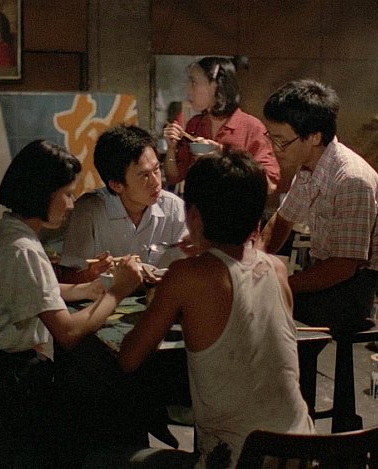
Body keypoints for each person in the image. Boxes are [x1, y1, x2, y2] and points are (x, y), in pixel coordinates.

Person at [116, 149, 316, 469]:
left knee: (103, 457)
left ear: (194, 215)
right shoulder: (277, 270)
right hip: (303, 456)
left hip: (238, 462)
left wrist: (124, 289)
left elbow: (129, 359)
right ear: (257, 219)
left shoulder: (186, 275)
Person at [0, 140, 143, 462]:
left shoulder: (8, 231)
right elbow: (67, 333)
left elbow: (34, 290)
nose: (71, 204)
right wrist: (117, 291)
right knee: (110, 410)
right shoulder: (23, 249)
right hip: (3, 392)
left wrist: (89, 288)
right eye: (67, 194)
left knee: (98, 396)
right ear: (42, 193)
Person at [259, 79, 378, 333]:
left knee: (264, 309)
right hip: (324, 273)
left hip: (351, 290)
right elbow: (282, 221)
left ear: (314, 137)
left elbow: (343, 266)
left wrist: (283, 284)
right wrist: (253, 263)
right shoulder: (309, 168)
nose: (275, 149)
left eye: (282, 141)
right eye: (271, 138)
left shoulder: (352, 179)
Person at [59, 125, 190, 283]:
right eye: (144, 176)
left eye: (156, 170)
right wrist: (89, 274)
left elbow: (189, 267)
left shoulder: (173, 207)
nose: (156, 182)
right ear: (116, 185)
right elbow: (67, 276)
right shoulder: (89, 210)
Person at [162, 56, 281, 194]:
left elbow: (270, 185)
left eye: (193, 82)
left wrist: (223, 156)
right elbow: (173, 177)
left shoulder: (252, 128)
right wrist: (171, 148)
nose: (188, 89)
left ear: (216, 86)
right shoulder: (195, 125)